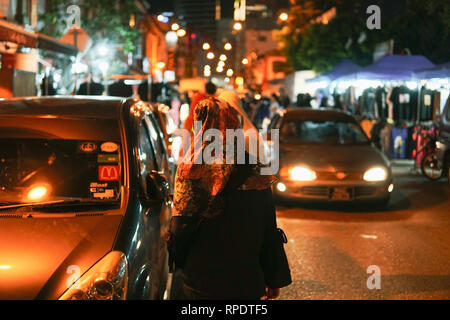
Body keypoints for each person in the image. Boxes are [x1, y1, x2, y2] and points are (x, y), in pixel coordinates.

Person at [168, 90, 292, 300]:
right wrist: (273, 277)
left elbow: (181, 226)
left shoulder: (191, 170)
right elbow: (269, 228)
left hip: (201, 279)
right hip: (247, 280)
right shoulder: (254, 169)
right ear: (235, 124)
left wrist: (177, 261)